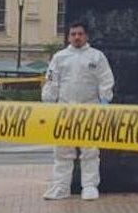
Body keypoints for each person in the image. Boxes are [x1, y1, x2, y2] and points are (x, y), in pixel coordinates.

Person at [42, 21, 115, 200]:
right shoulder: (59, 57)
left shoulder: (97, 57)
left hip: (90, 109)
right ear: (68, 36)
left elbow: (106, 79)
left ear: (86, 36)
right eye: (73, 34)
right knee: (62, 151)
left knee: (90, 150)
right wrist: (49, 102)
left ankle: (89, 186)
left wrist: (105, 100)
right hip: (64, 109)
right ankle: (61, 186)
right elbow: (52, 81)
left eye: (80, 34)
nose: (76, 37)